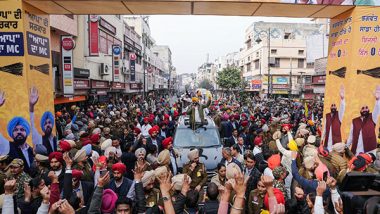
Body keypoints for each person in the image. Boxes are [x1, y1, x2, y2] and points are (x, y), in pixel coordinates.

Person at [346, 85, 380, 155]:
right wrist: (347, 146)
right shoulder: (354, 121)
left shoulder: (372, 117)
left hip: (369, 149)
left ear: (369, 109)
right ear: (360, 110)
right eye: (363, 108)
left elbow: (377, 108)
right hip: (357, 148)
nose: (365, 109)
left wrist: (377, 100)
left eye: (366, 107)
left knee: (368, 165)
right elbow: (351, 135)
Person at [29, 87, 58, 154]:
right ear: (42, 126)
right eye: (45, 124)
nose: (47, 125)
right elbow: (32, 126)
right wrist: (31, 106)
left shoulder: (55, 138)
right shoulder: (39, 139)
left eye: (49, 122)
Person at [322, 85, 345, 151]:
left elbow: (342, 108)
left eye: (334, 106)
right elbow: (325, 128)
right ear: (330, 108)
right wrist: (322, 138)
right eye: (332, 106)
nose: (333, 107)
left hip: (336, 141)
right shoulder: (327, 115)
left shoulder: (339, 115)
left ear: (336, 107)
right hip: (327, 140)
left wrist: (342, 99)